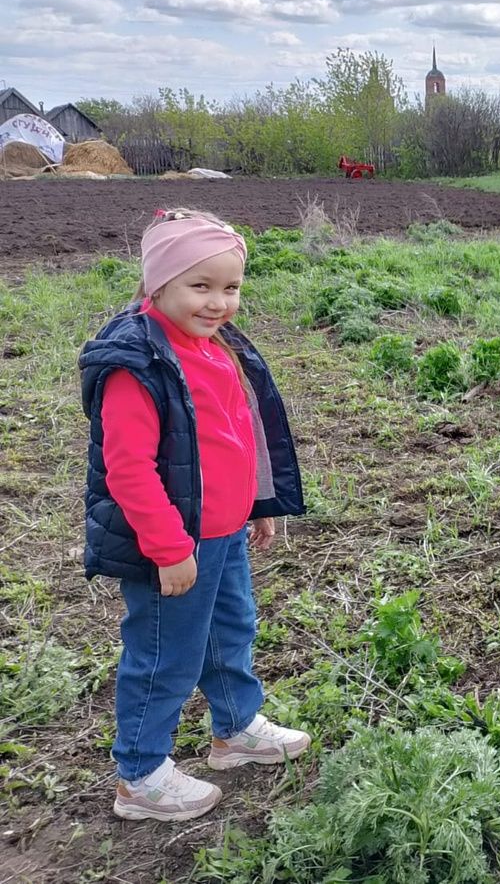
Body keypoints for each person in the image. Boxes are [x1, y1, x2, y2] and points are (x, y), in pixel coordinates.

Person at [79, 209, 308, 822]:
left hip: (225, 530)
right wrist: (168, 546)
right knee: (164, 653)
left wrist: (259, 507)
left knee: (231, 630)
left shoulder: (216, 348)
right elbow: (127, 469)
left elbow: (239, 436)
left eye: (229, 287)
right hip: (176, 544)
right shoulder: (137, 363)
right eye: (199, 286)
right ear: (158, 284)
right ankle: (141, 775)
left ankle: (233, 731)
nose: (217, 302)